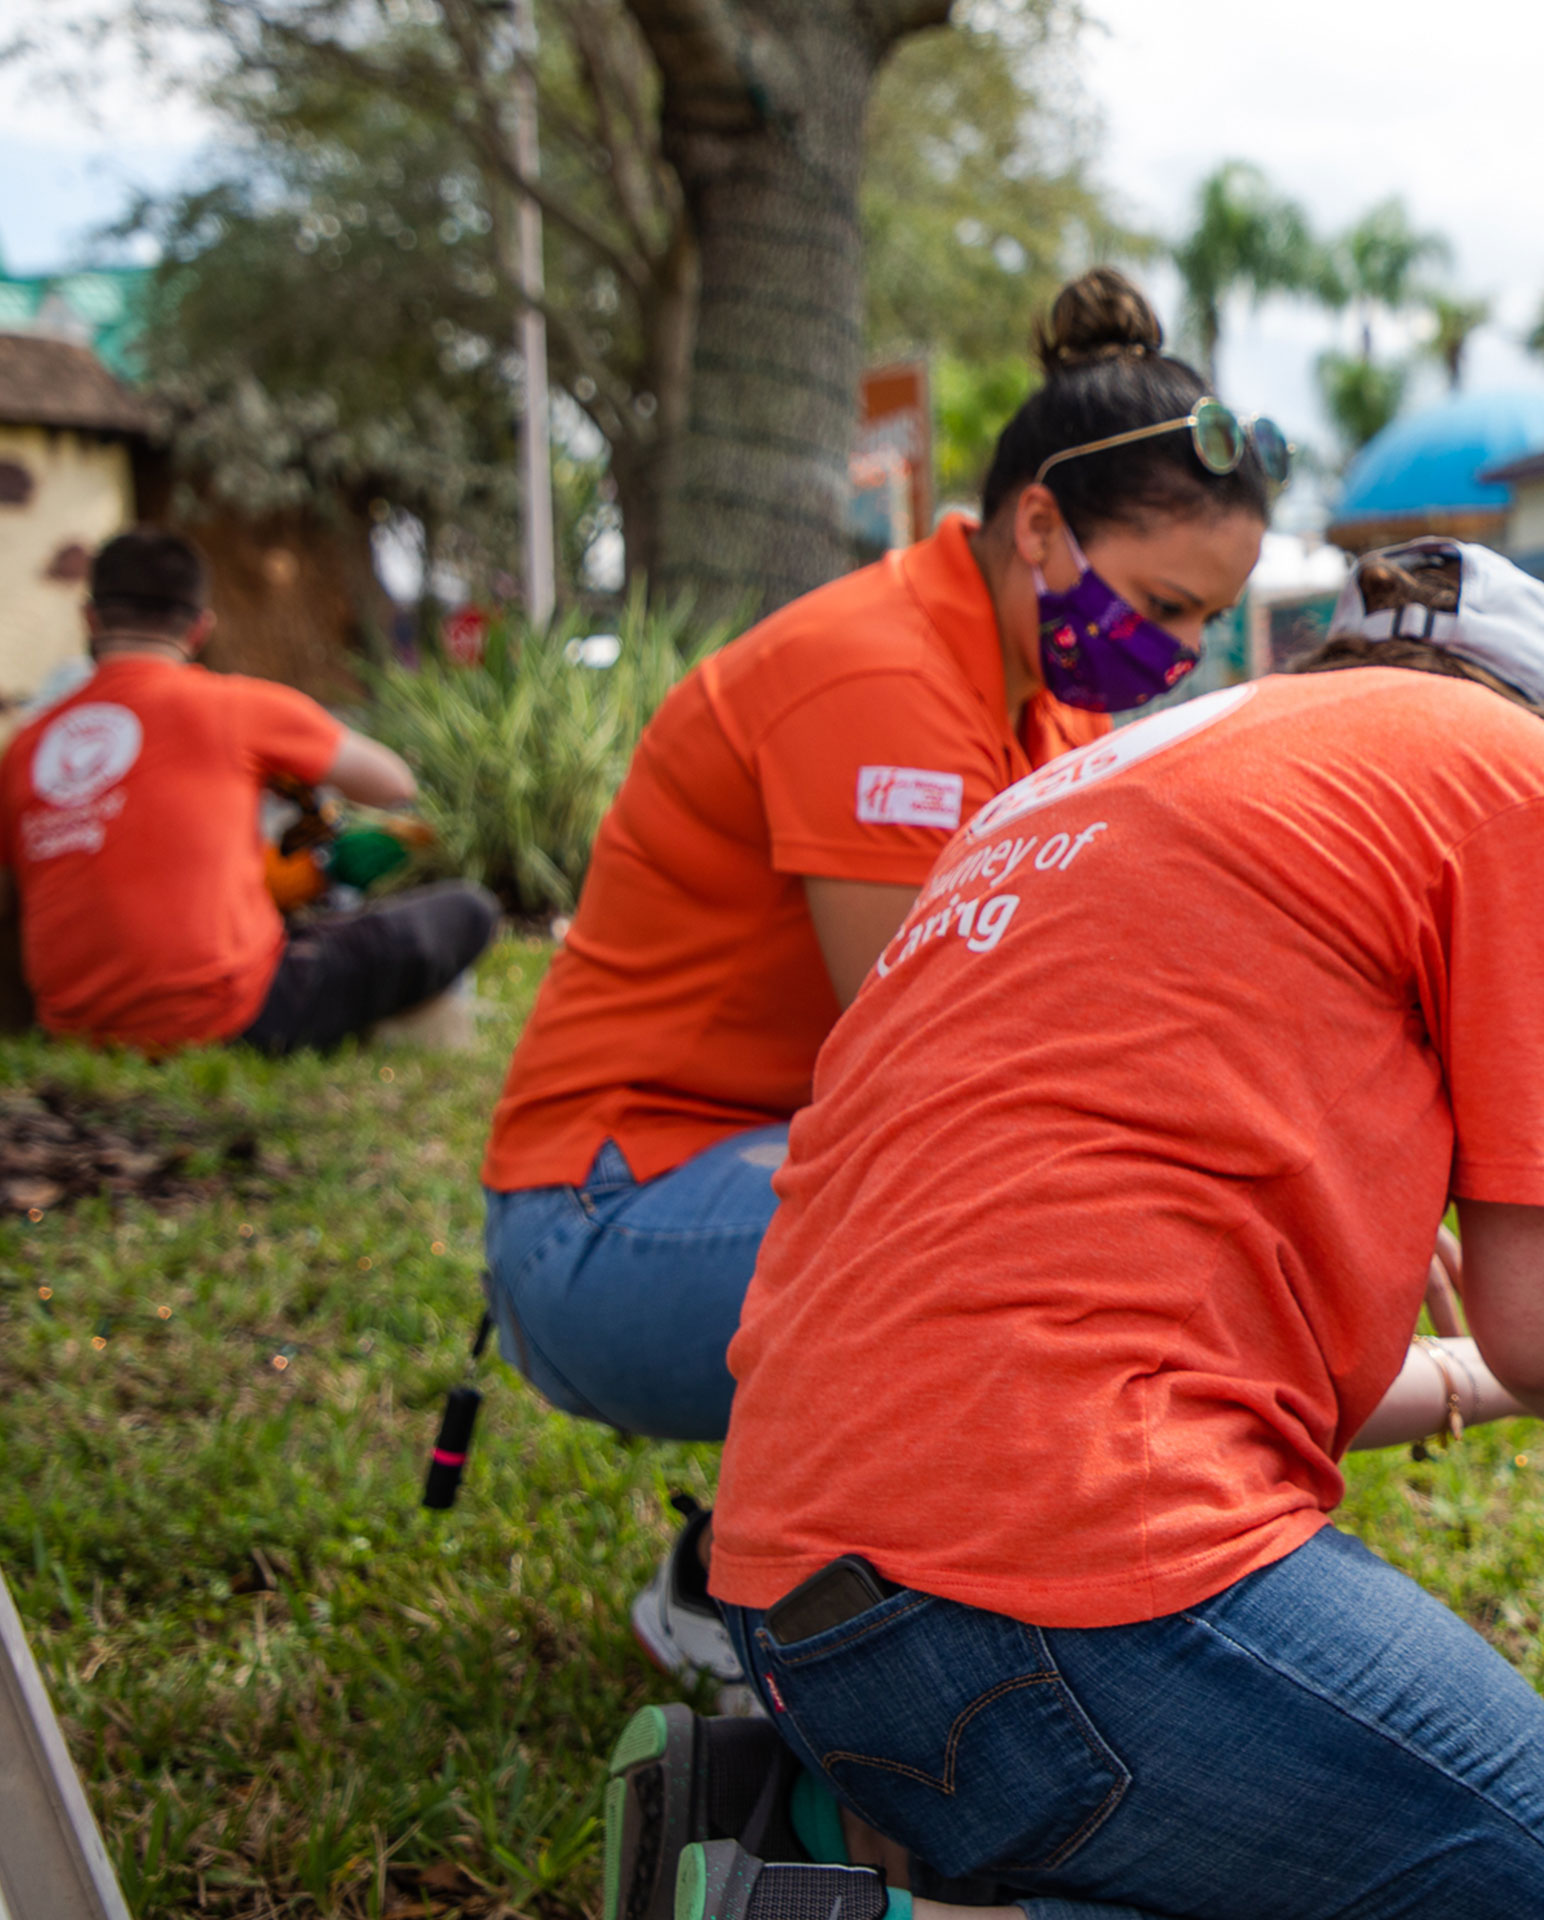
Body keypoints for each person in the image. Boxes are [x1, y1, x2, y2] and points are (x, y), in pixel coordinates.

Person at [622, 537, 1544, 1920]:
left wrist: (1469, 1378)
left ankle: (844, 1874)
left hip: (791, 1607)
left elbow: (1094, 1333)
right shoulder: (1529, 782)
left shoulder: (1090, 787)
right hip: (1044, 1610)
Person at [482, 268, 1320, 1688]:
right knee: (1034, 1219)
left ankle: (890, 1578)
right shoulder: (874, 679)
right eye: (1167, 608)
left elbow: (1130, 994)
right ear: (1041, 528)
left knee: (1099, 1200)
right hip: (602, 1229)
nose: (1177, 659)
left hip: (752, 1186)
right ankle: (781, 1598)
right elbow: (937, 1062)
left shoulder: (1034, 707)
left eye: (1202, 626)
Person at [0, 528, 497, 1056]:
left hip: (73, 1028)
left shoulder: (25, 748)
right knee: (468, 910)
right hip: (236, 1015)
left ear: (90, 619)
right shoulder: (236, 706)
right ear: (199, 628)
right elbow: (394, 784)